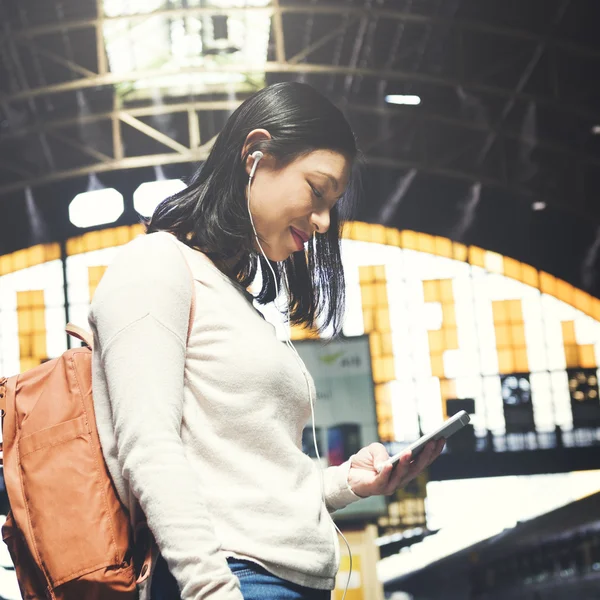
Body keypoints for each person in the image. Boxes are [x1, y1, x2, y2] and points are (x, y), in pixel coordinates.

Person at [88, 81, 444, 600]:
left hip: (285, 581)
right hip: (236, 581)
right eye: (317, 191)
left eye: (333, 203)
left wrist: (348, 483)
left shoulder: (234, 296)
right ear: (255, 154)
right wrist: (213, 591)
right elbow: (148, 448)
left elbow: (248, 488)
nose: (324, 221)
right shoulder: (155, 265)